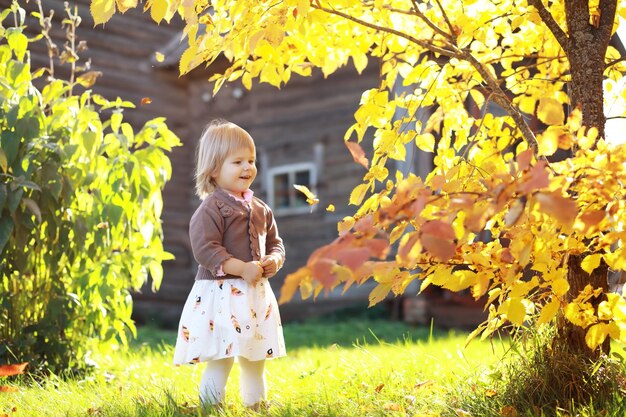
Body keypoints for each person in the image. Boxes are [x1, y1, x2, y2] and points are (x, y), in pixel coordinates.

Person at [173, 120, 286, 410]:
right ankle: (211, 407)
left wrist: (273, 260)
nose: (247, 167)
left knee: (254, 357)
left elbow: (275, 243)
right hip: (221, 296)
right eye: (237, 161)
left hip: (253, 295)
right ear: (213, 169)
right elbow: (206, 250)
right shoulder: (211, 208)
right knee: (221, 357)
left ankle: (256, 405)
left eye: (251, 160)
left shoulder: (261, 208)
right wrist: (242, 268)